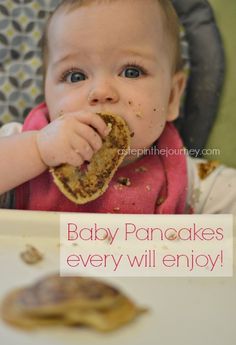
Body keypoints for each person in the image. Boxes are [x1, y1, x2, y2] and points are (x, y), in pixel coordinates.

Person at [0, 0, 235, 214]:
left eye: (131, 72)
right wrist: (37, 150)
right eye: (75, 76)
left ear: (172, 97)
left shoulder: (185, 178)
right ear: (47, 93)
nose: (101, 91)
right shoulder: (19, 148)